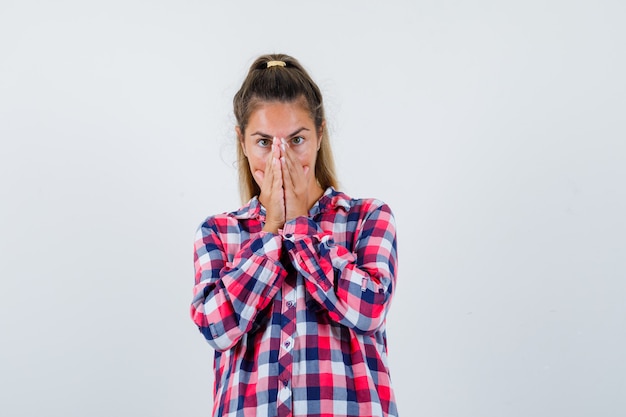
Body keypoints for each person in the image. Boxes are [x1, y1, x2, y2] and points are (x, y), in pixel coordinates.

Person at [190, 53, 399, 417]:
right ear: (242, 142)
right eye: (264, 142)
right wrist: (272, 229)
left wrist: (301, 225)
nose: (280, 159)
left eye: (296, 139)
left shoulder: (366, 218)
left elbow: (370, 311)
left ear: (320, 133)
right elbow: (216, 327)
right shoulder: (220, 232)